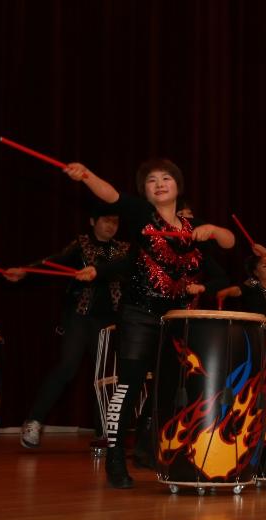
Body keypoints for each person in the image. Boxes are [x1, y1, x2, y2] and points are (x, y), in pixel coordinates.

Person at [64, 157, 234, 488]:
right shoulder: (142, 215)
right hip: (139, 314)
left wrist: (213, 230)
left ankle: (149, 448)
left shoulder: (192, 226)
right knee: (128, 384)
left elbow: (230, 243)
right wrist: (86, 175)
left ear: (177, 186)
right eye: (151, 180)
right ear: (145, 190)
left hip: (177, 320)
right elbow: (111, 195)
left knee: (169, 386)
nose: (159, 183)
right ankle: (115, 457)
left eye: (165, 178)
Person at [5, 206, 131, 449]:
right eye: (106, 220)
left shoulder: (123, 250)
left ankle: (104, 432)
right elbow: (54, 262)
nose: (111, 226)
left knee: (105, 377)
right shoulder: (81, 245)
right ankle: (34, 421)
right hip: (80, 317)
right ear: (93, 221)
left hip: (110, 321)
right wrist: (26, 271)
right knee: (67, 367)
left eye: (115, 222)